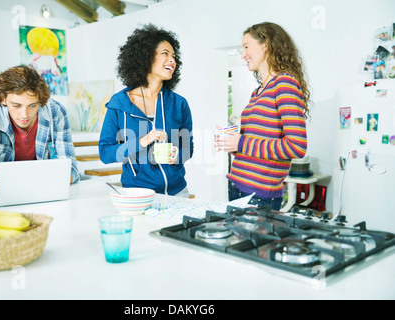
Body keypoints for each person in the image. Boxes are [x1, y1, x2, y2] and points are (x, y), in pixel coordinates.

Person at [214, 22, 311, 210]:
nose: (243, 55)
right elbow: (256, 142)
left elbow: (297, 147)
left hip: (259, 196)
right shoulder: (259, 91)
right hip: (238, 187)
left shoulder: (284, 84)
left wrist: (241, 143)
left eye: (246, 46)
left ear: (266, 44)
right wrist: (232, 142)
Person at [0, 65, 80, 201]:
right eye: (16, 106)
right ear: (3, 99)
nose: (24, 115)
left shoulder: (56, 113)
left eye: (32, 106)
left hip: (42, 191)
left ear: (41, 102)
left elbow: (70, 168)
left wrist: (53, 182)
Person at [99, 24, 194, 197]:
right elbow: (105, 153)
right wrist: (142, 141)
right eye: (165, 54)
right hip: (138, 194)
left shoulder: (179, 104)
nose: (172, 61)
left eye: (174, 56)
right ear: (146, 57)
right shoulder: (119, 104)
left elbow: (188, 147)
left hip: (178, 193)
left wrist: (178, 154)